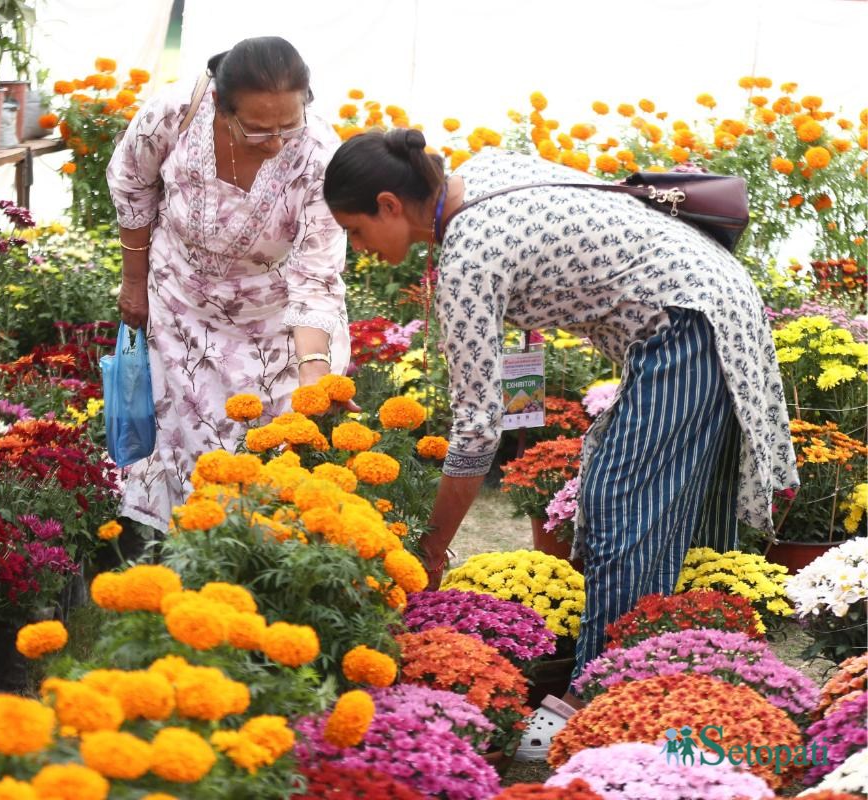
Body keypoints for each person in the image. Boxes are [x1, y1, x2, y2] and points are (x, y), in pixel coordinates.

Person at [321, 128, 797, 760]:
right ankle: (690, 681)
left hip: (689, 323)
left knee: (623, 507)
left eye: (353, 231)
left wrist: (431, 551)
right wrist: (523, 415)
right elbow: (534, 316)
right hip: (706, 305)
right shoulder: (481, 174)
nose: (357, 250)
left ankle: (598, 705)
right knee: (659, 506)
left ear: (388, 204)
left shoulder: (469, 255)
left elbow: (474, 427)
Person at [106, 37, 349, 533]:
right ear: (219, 103)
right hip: (180, 307)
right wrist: (134, 283)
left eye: (290, 123)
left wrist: (314, 376)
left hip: (276, 325)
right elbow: (132, 184)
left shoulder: (321, 155)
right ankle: (179, 564)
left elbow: (316, 276)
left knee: (270, 458)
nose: (278, 141)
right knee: (182, 449)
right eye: (258, 129)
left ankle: (259, 570)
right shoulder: (175, 112)